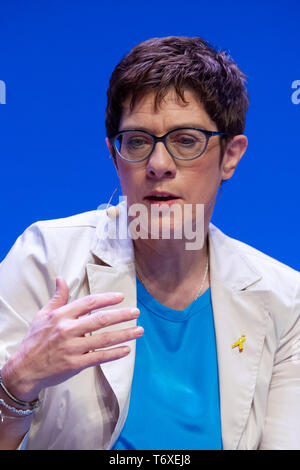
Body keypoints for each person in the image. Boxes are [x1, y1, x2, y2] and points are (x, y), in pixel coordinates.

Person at [0, 36, 300, 451]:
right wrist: (17, 382)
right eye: (138, 142)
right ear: (114, 155)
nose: (159, 165)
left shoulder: (284, 299)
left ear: (230, 156)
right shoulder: (44, 259)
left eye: (186, 140)